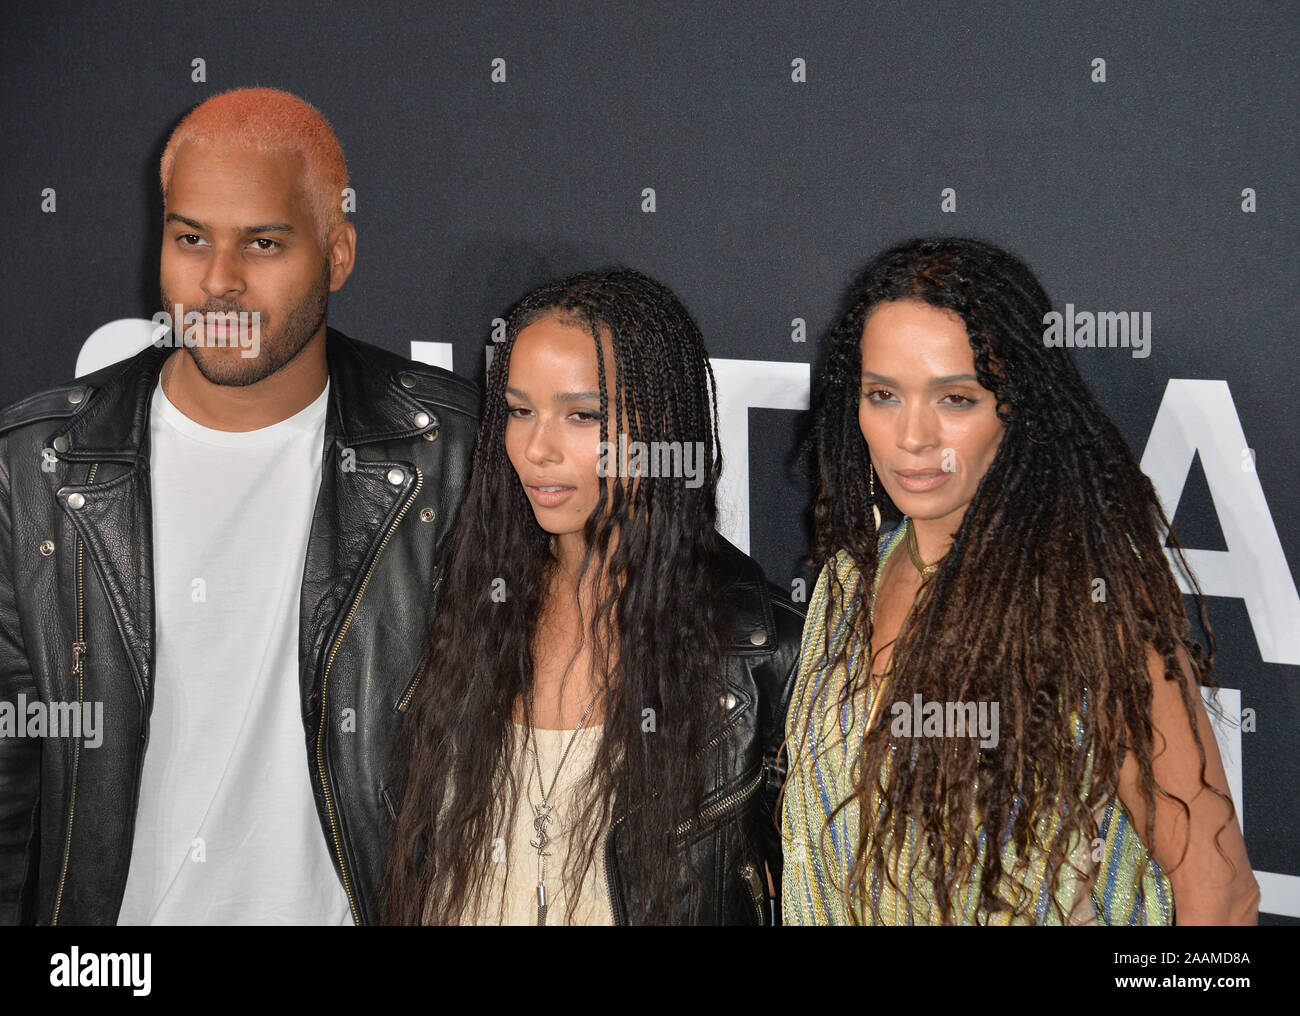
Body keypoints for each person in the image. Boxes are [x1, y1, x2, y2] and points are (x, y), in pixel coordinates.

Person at [0, 87, 478, 925]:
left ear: (338, 254)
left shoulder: (448, 451)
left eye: (262, 243)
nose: (218, 282)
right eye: (190, 239)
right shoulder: (36, 466)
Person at [782, 236, 1259, 925]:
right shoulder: (847, 585)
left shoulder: (1091, 616)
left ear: (1019, 410)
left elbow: (1222, 894)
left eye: (957, 398)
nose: (912, 437)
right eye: (882, 395)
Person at [383, 267, 803, 925]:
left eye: (582, 415)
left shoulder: (760, 650)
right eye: (520, 411)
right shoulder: (455, 605)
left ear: (663, 426)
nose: (538, 449)